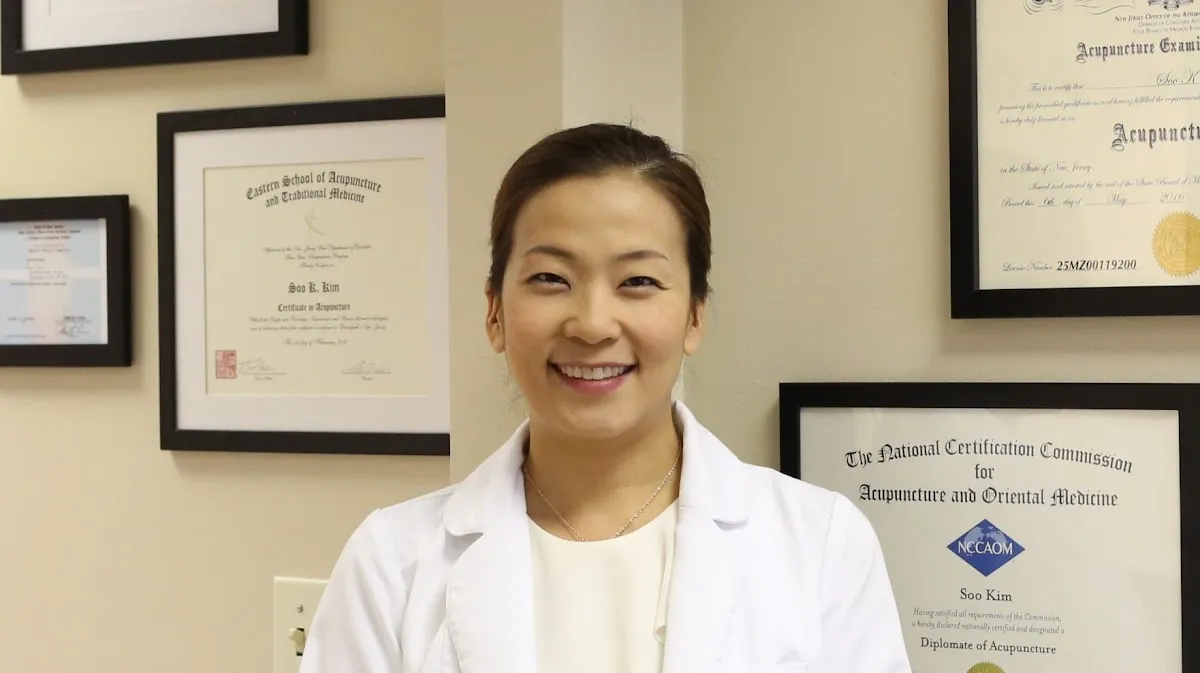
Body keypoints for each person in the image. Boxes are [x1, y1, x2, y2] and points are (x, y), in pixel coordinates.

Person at [298, 123, 912, 673]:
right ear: (494, 311)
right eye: (550, 279)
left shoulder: (822, 545)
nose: (592, 324)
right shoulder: (393, 560)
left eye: (638, 281)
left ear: (695, 315)